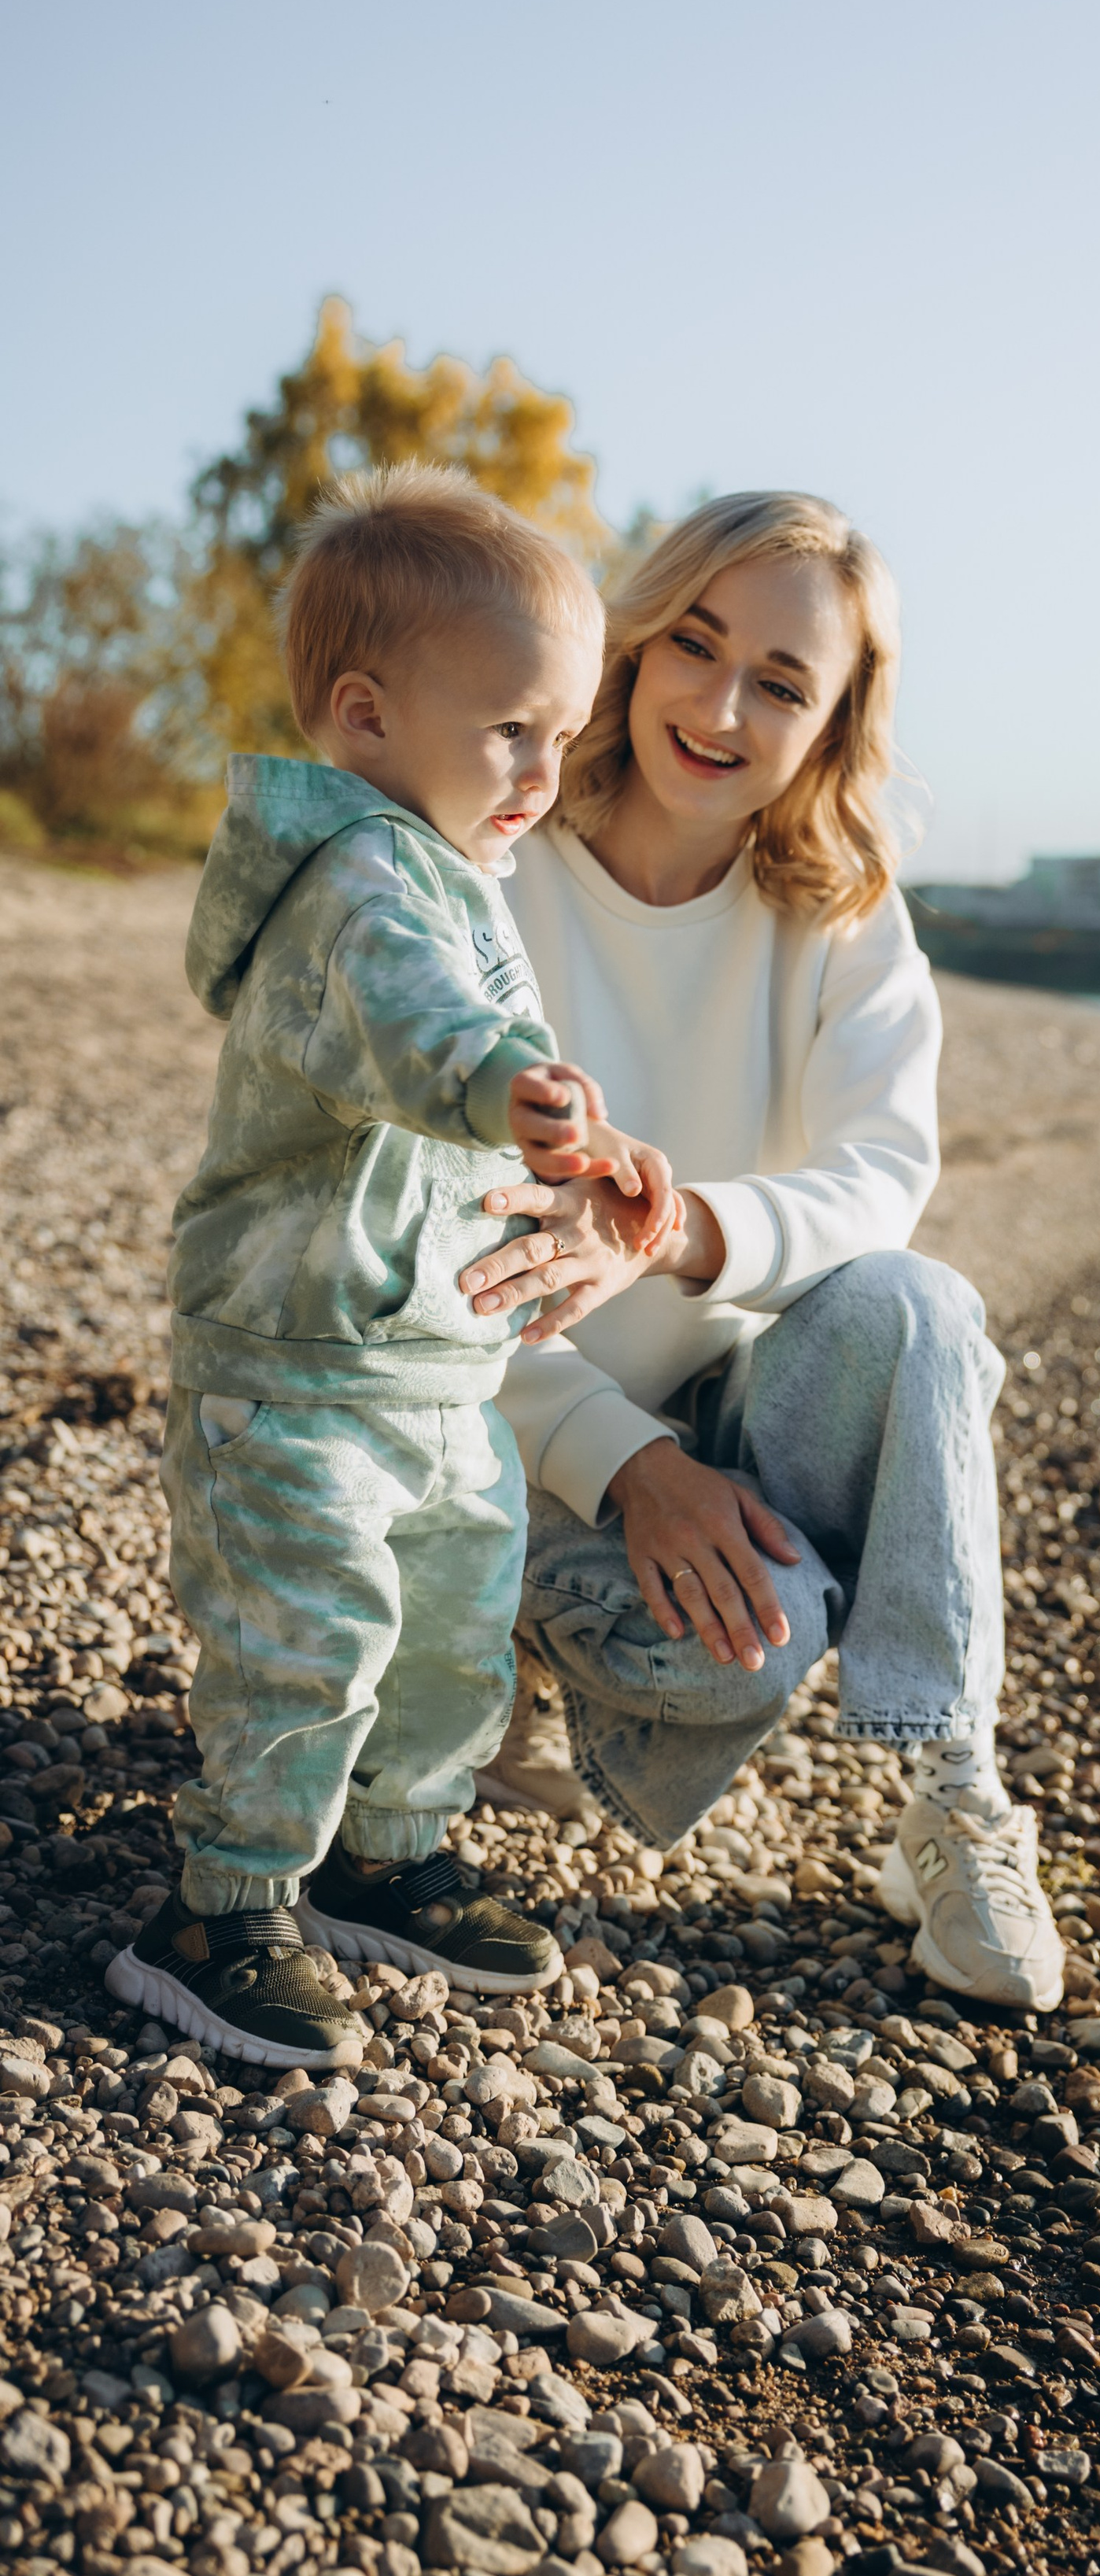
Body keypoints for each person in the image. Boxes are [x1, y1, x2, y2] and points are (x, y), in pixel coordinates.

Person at [454, 492, 1067, 2011]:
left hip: (727, 1405)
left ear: (835, 718)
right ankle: (491, 1657)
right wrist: (624, 1466)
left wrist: (676, 1232)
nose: (720, 708)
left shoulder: (843, 916)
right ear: (635, 643)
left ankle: (953, 1790)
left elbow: (882, 1181)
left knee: (922, 1310)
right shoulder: (491, 866)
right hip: (471, 1428)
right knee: (745, 1648)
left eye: (783, 683)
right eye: (695, 646)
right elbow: (416, 1256)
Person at [111, 465, 674, 2069]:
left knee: (448, 1615)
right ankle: (216, 1912)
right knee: (313, 1627)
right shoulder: (355, 884)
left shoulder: (450, 875)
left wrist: (583, 1157)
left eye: (561, 737)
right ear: (364, 718)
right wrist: (505, 1084)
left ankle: (392, 1851)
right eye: (512, 731)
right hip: (294, 1360)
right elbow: (414, 1034)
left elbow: (486, 1097)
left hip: (426, 1356)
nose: (544, 772)